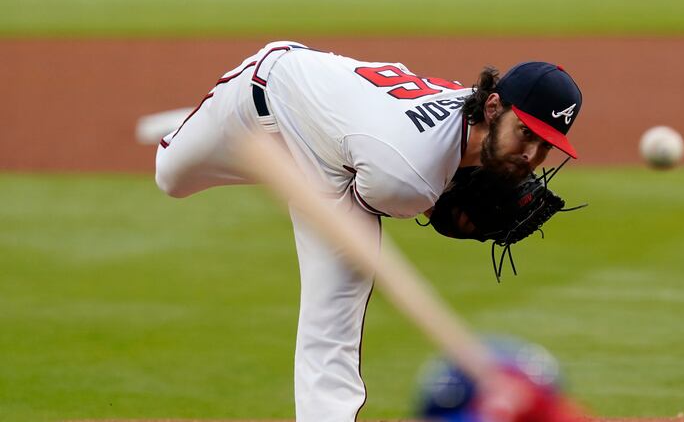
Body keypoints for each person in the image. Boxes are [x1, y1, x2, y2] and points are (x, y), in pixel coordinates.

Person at [154, 40, 582, 422]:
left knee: (333, 320)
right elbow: (405, 184)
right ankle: (199, 124)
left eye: (546, 145)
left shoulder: (440, 141)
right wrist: (446, 195)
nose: (531, 155)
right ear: (492, 108)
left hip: (340, 162)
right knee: (169, 178)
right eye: (525, 133)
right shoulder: (407, 175)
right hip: (265, 93)